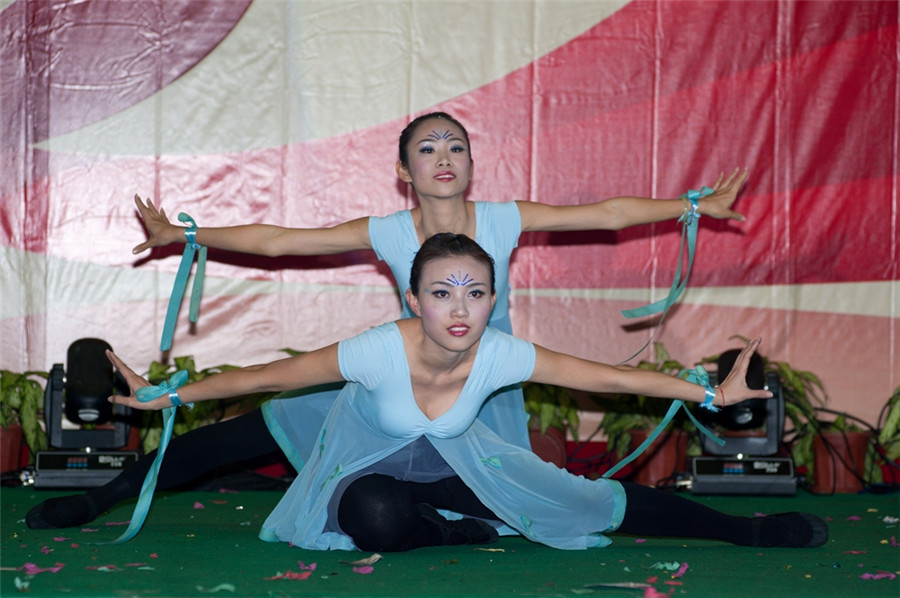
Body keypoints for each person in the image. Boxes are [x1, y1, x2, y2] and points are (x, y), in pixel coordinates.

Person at [27, 112, 749, 530]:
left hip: (481, 390)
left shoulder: (503, 218)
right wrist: (188, 235)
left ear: (472, 165)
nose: (444, 157)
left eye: (456, 146)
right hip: (399, 381)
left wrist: (690, 206)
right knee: (248, 429)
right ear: (405, 171)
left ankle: (430, 523)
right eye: (427, 149)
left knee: (513, 504)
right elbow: (280, 241)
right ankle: (107, 496)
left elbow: (606, 214)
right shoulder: (388, 230)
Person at [105, 234, 826, 552]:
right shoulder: (377, 349)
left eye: (476, 293)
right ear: (414, 300)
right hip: (367, 465)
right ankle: (456, 532)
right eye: (442, 292)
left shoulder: (501, 353)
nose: (460, 308)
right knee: (375, 517)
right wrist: (169, 396)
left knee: (585, 505)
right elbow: (266, 378)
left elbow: (606, 377)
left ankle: (745, 530)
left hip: (457, 464)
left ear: (492, 302)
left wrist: (708, 395)